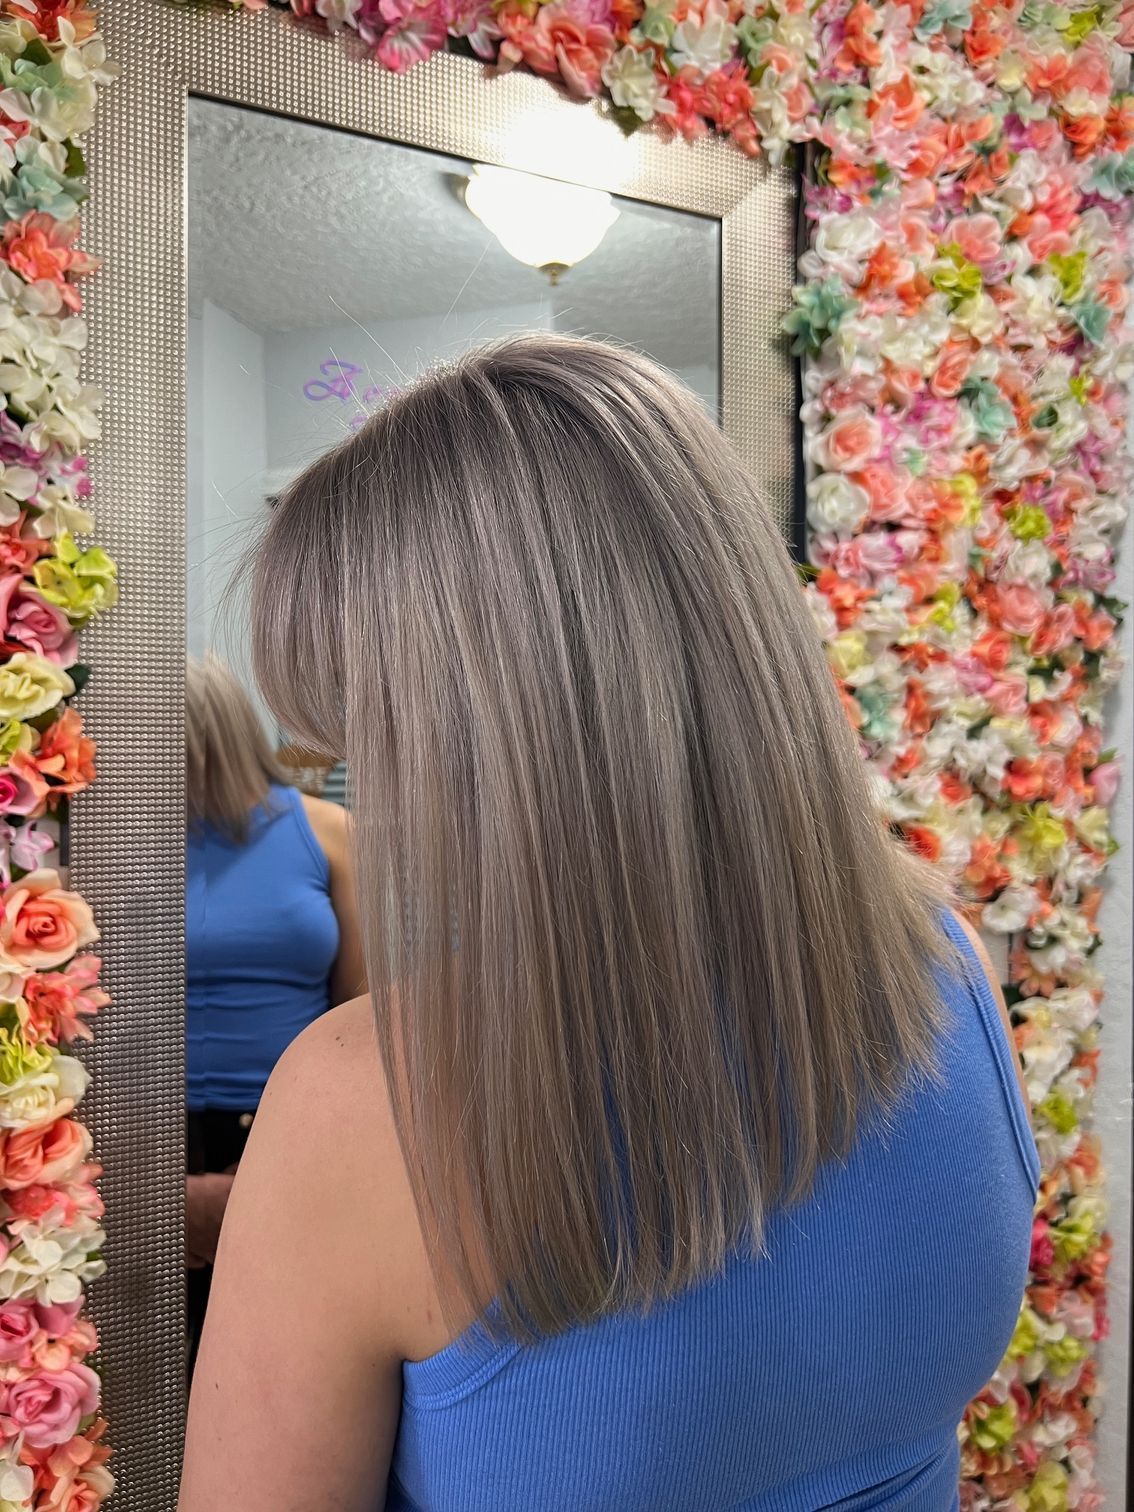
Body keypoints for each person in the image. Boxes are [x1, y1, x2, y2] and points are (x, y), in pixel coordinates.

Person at [179, 337, 1037, 1511]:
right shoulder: (952, 965)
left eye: (376, 738)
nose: (369, 787)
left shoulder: (365, 1104)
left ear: (480, 744)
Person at [184, 654, 364, 1362]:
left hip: (284, 1121)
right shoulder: (125, 838)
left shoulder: (328, 832)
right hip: (147, 1134)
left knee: (274, 1352)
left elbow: (358, 1011)